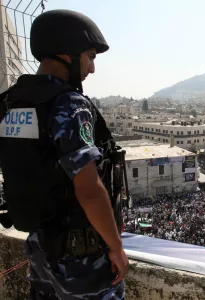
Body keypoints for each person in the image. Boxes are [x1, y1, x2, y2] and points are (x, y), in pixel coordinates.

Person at [0, 9, 128, 299]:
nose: (92, 68)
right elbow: (89, 189)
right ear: (68, 55)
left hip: (40, 250)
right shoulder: (69, 104)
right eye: (90, 57)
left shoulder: (10, 103)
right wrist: (116, 247)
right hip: (81, 262)